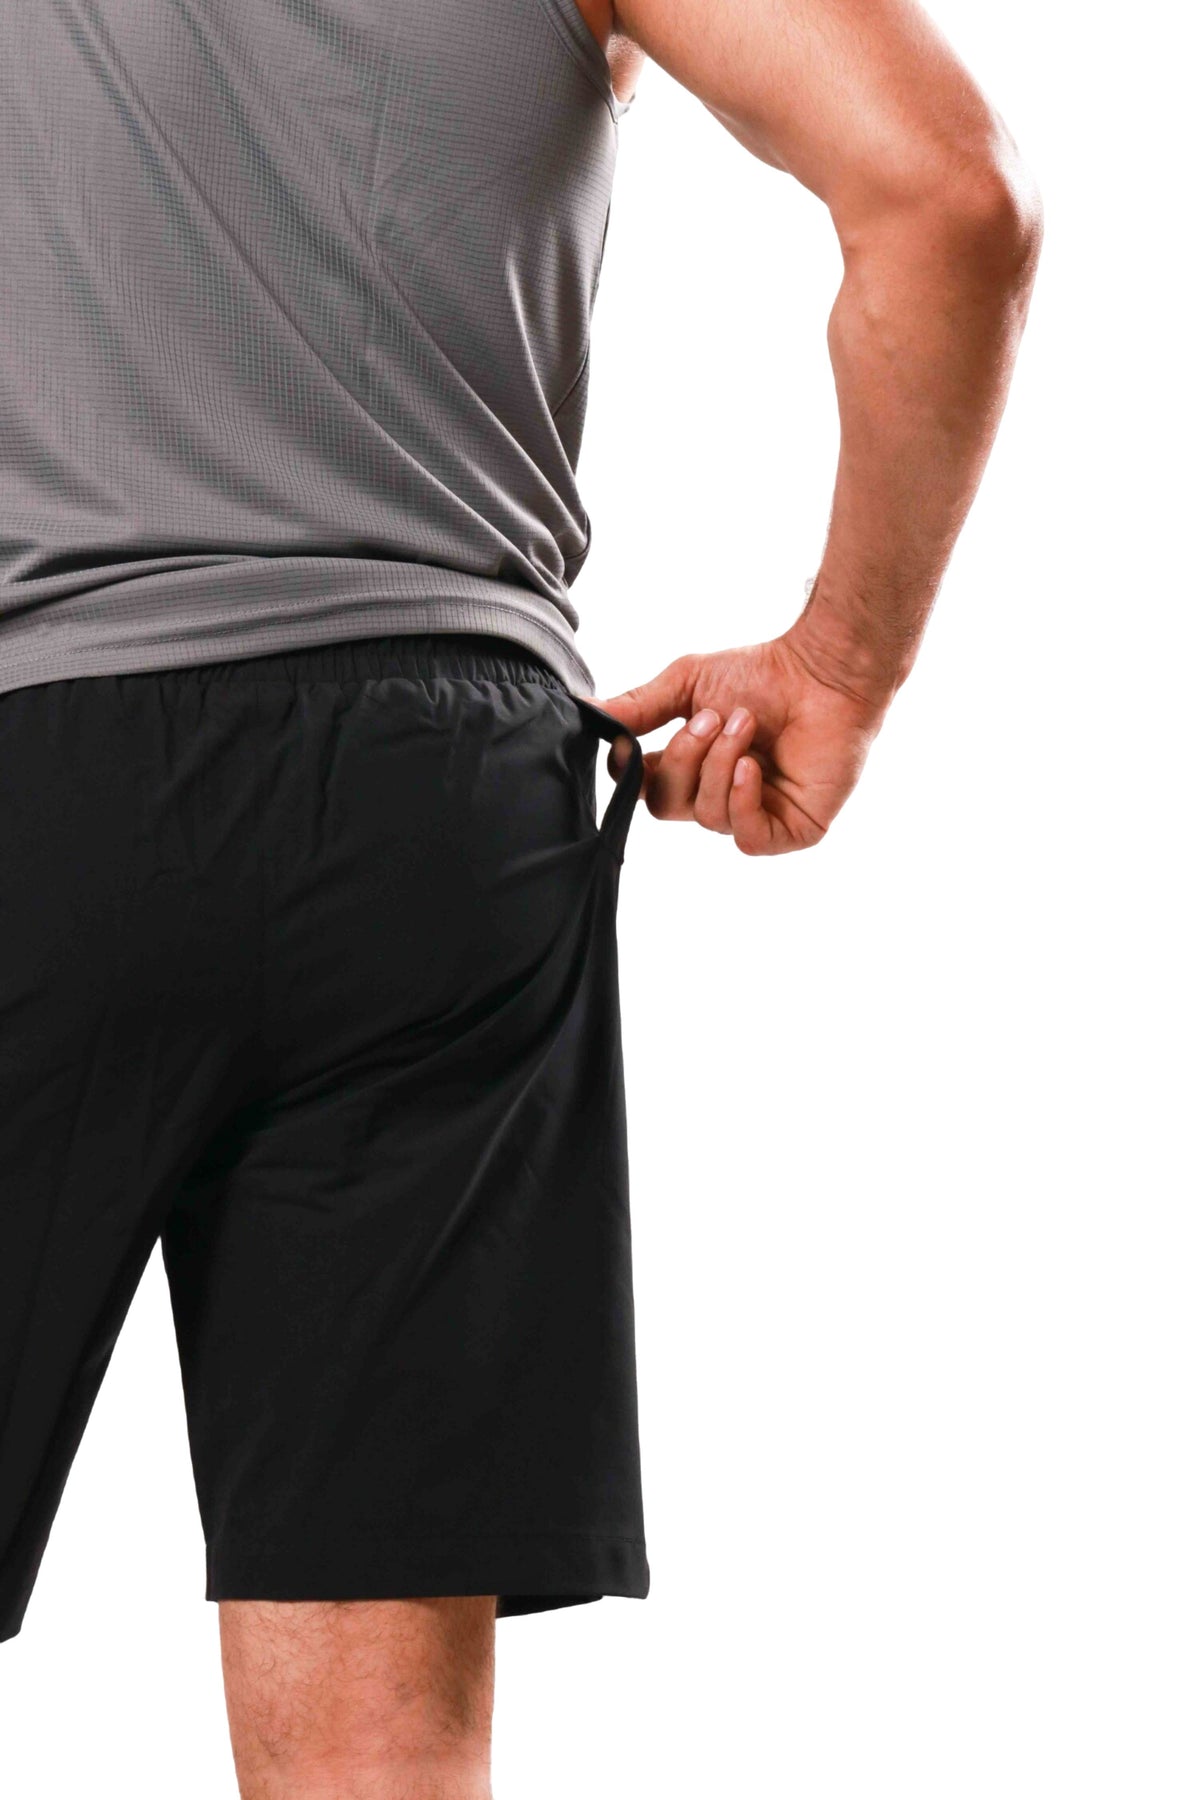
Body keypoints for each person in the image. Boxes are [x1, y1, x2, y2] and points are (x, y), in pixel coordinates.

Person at [0, 0, 1040, 1792]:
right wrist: (841, 669)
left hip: (39, 750)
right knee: (380, 1752)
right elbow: (952, 196)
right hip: (443, 821)